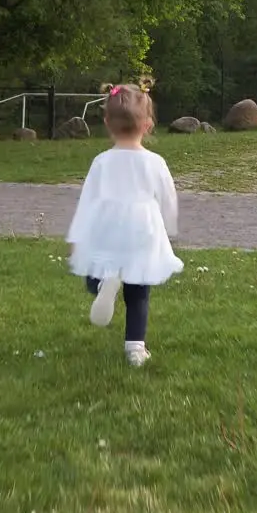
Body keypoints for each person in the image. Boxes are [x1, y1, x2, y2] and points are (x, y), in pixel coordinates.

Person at [67, 84, 183, 367]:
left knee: (100, 268)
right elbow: (168, 198)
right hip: (142, 229)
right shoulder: (155, 162)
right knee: (138, 290)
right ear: (148, 124)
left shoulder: (101, 162)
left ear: (107, 122)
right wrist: (169, 229)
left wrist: (78, 236)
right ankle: (135, 347)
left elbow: (88, 201)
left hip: (108, 228)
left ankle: (102, 284)